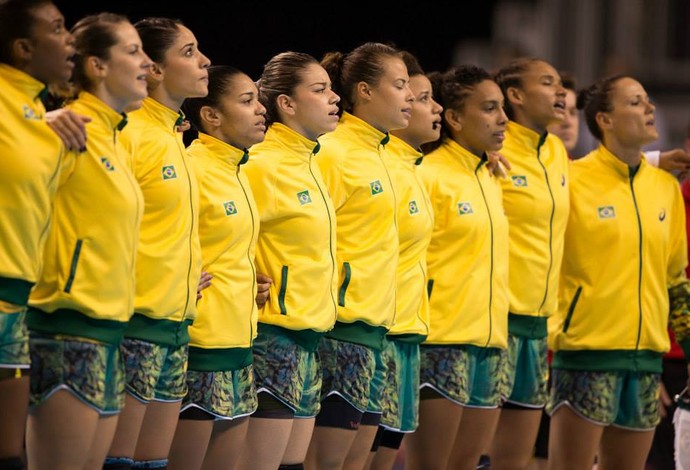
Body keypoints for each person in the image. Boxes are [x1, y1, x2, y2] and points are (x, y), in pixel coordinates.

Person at [23, 12, 150, 468]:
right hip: (65, 329)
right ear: (96, 65)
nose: (146, 63)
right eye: (133, 51)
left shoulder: (113, 139)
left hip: (110, 331)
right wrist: (39, 120)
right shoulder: (67, 128)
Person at [547, 74, 690, 470]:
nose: (650, 108)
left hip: (645, 362)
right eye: (635, 102)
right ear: (605, 119)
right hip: (584, 355)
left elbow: (676, 282)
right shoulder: (571, 181)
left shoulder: (664, 189)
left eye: (648, 100)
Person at [104, 17, 211, 470]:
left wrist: (185, 277)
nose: (204, 61)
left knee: (151, 465)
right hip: (135, 324)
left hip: (175, 325)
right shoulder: (131, 133)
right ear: (154, 69)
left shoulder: (174, 137)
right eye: (188, 52)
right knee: (117, 462)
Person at [304, 41, 414, 470]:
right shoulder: (332, 151)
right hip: (340, 331)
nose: (409, 96)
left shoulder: (382, 154)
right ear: (365, 91)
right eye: (400, 85)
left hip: (376, 332)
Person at [400, 64, 509, 470]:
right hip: (441, 340)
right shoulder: (428, 174)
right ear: (455, 118)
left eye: (501, 108)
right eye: (489, 108)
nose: (501, 119)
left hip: (490, 341)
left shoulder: (491, 173)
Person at [235, 50, 340, 470]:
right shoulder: (262, 164)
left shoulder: (310, 162)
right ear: (288, 104)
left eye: (332, 89)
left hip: (308, 337)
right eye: (320, 90)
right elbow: (218, 230)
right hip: (272, 336)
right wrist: (244, 276)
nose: (334, 98)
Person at [165, 65, 266, 470]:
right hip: (202, 344)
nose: (261, 110)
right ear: (211, 116)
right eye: (247, 101)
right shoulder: (194, 167)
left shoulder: (236, 169)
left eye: (258, 99)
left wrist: (249, 284)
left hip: (240, 344)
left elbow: (226, 251)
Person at [0, 1, 85, 467]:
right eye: (57, 29)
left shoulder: (37, 112)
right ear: (23, 47)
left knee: (10, 456)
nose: (69, 38)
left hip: (17, 302)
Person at [489, 57, 571, 470]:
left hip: (538, 327)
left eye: (559, 84)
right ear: (516, 96)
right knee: (470, 455)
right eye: (547, 82)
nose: (560, 92)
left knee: (514, 462)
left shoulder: (555, 150)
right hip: (495, 323)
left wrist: (656, 160)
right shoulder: (492, 149)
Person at [366, 50, 440, 470]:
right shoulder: (378, 167)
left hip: (408, 331)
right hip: (379, 333)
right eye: (418, 95)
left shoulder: (411, 167)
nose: (428, 106)